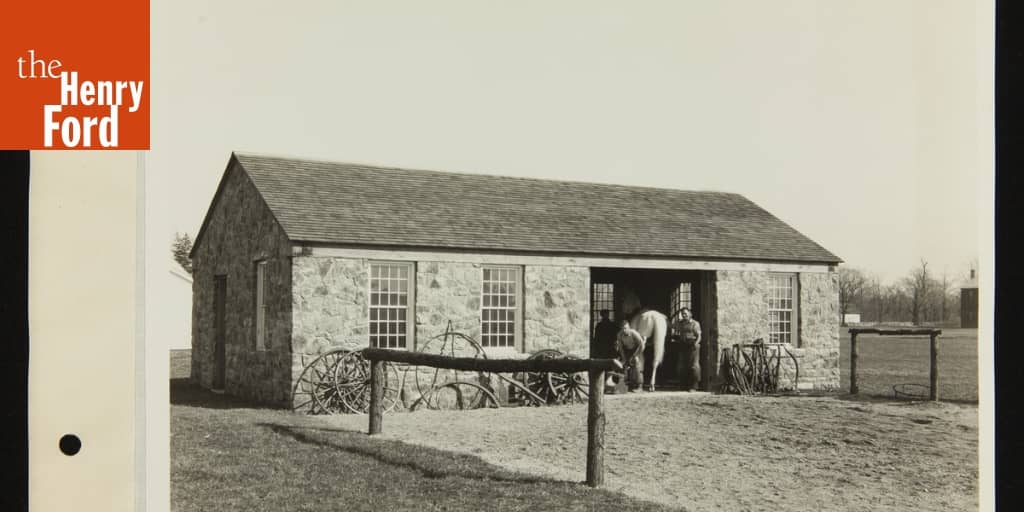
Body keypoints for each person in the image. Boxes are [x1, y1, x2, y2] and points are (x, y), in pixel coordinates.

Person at [673, 307, 701, 391]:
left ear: (690, 314)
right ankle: (684, 385)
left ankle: (694, 386)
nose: (684, 315)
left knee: (694, 366)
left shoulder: (695, 324)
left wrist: (696, 344)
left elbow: (699, 336)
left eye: (685, 313)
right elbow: (672, 326)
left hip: (693, 346)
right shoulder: (680, 323)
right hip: (683, 345)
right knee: (682, 366)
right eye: (682, 314)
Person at [616, 320, 645, 392]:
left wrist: (635, 355)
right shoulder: (619, 335)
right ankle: (626, 385)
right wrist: (624, 358)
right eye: (623, 328)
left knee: (637, 364)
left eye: (626, 328)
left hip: (637, 349)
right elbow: (620, 348)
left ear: (629, 327)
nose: (624, 330)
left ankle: (639, 386)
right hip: (627, 350)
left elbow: (642, 345)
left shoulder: (634, 333)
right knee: (624, 365)